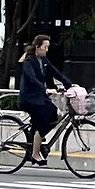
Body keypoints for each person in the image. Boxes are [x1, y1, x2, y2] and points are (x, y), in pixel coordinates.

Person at [18, 33, 68, 165]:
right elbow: (32, 79)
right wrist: (45, 89)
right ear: (37, 47)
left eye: (48, 47)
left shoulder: (44, 61)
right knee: (44, 119)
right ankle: (35, 154)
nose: (47, 50)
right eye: (45, 47)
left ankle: (35, 136)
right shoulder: (29, 61)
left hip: (40, 98)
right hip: (30, 98)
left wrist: (70, 85)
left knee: (57, 115)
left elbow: (56, 73)